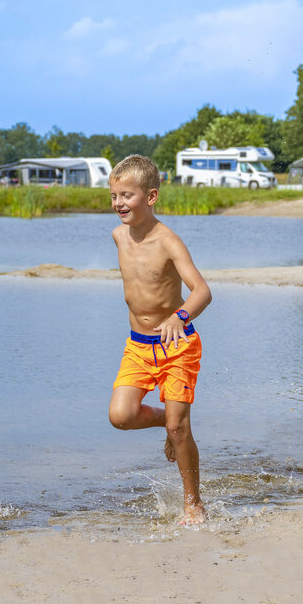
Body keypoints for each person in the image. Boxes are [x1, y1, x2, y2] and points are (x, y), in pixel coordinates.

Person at [107, 155, 212, 525]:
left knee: (179, 428)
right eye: (114, 195)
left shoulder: (168, 240)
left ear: (150, 196)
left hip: (177, 345)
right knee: (120, 416)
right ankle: (168, 424)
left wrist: (178, 316)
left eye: (127, 195)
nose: (119, 203)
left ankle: (193, 503)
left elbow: (202, 291)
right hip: (137, 346)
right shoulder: (119, 235)